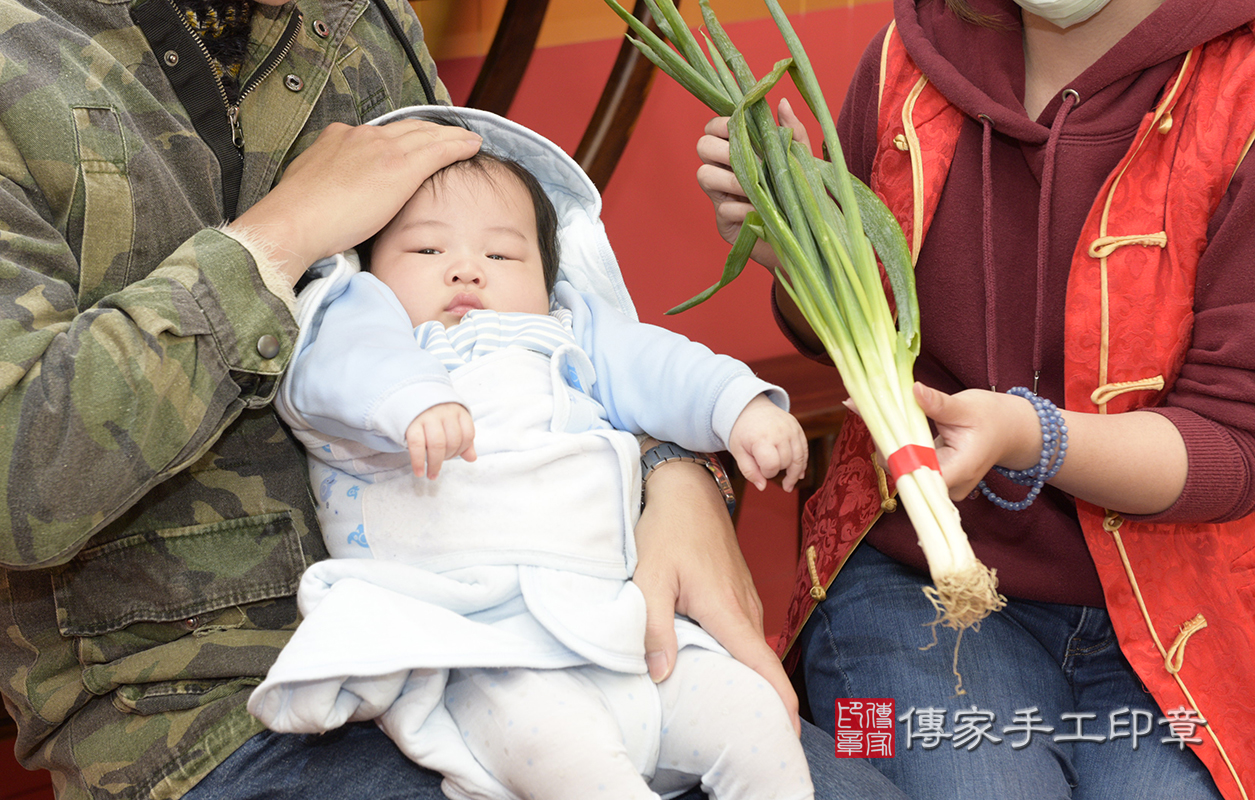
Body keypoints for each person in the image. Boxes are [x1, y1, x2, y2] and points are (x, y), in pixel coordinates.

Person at [0, 1, 908, 799]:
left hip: (572, 611)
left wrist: (676, 475)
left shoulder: (351, 19)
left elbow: (558, 324)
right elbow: (18, 487)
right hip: (205, 706)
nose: (464, 269)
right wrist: (273, 243)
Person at [696, 0, 1255, 798]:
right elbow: (853, 330)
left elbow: (1235, 446)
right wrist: (799, 244)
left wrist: (1032, 436)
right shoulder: (904, 58)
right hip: (910, 580)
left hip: (1179, 617)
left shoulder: (1239, 92)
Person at [248, 107, 816, 800]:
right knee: (574, 767)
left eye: (502, 255)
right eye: (426, 252)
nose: (466, 269)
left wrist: (741, 409)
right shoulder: (371, 325)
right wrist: (412, 399)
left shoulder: (564, 332)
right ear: (368, 264)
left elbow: (658, 365)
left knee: (756, 722)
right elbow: (338, 366)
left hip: (617, 621)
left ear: (547, 277)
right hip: (480, 650)